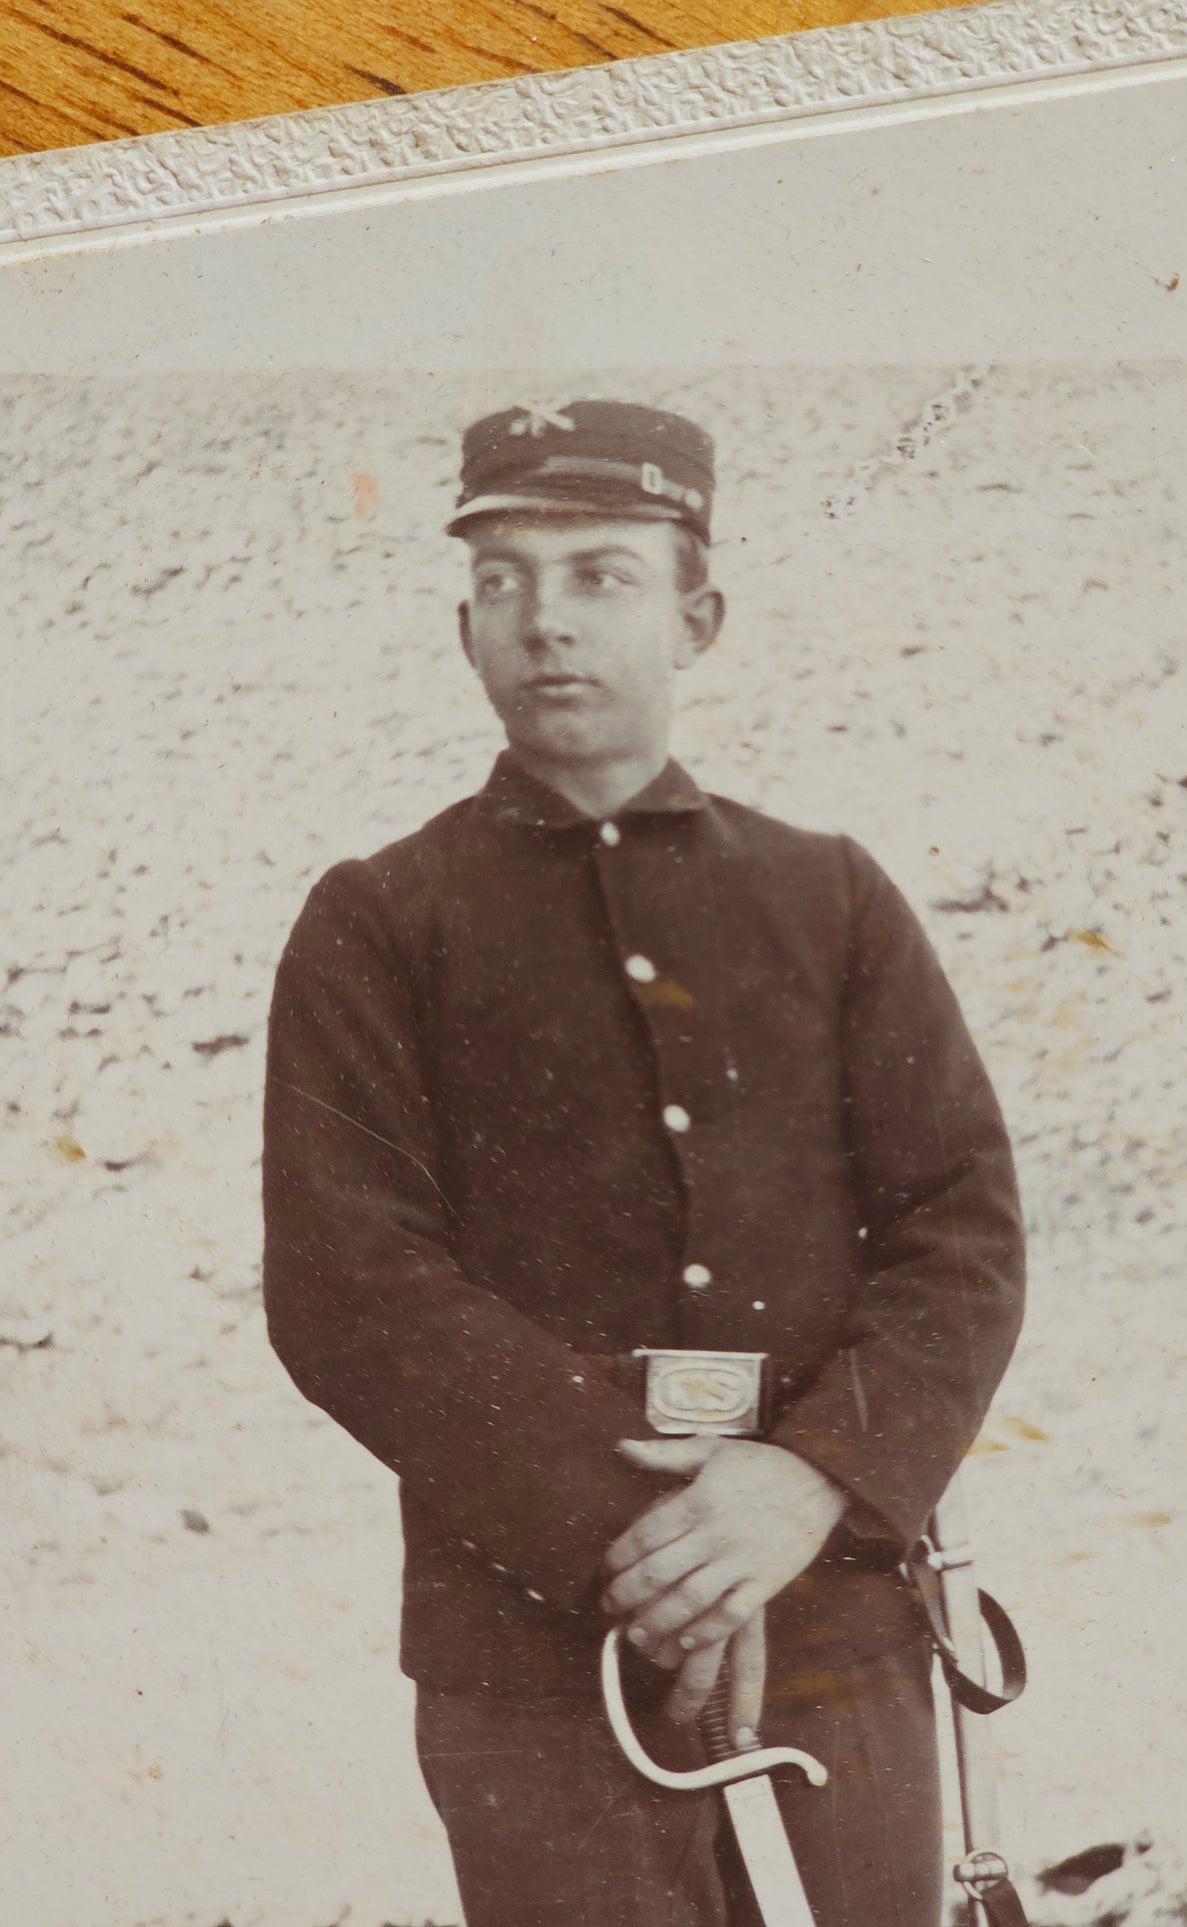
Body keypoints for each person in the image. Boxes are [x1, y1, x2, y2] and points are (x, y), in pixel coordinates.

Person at [262, 398, 1025, 1927]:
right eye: (502, 582)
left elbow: (961, 1234)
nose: (544, 622)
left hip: (833, 1607)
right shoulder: (378, 919)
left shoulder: (829, 898)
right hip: (531, 1646)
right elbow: (349, 1287)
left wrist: (805, 1487)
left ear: (698, 617)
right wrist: (641, 1539)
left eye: (599, 574)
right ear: (462, 624)